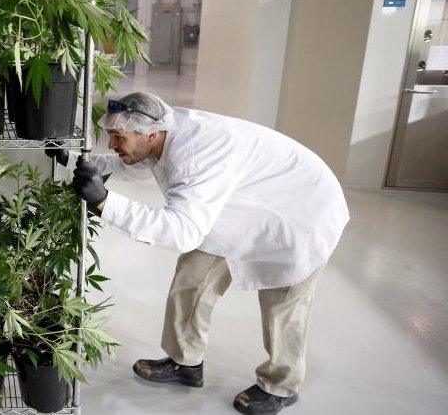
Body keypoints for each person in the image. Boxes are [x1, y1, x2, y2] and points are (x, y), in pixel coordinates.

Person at [56, 92, 349, 415]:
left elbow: (181, 231)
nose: (112, 144)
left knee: (283, 303)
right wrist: (74, 160)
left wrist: (105, 202)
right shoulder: (162, 129)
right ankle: (186, 363)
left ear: (150, 135)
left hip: (302, 213)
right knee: (192, 279)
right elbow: (133, 161)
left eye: (117, 137)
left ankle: (280, 385)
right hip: (238, 208)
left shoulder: (197, 155)